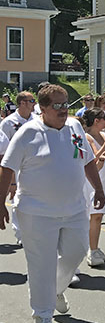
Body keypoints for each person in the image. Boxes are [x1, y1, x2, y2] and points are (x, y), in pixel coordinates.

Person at [0, 84, 105, 323]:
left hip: (75, 209)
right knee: (41, 264)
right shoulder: (27, 133)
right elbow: (7, 168)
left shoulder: (75, 126)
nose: (63, 109)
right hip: (36, 212)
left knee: (76, 253)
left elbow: (88, 160)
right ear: (43, 108)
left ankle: (56, 289)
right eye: (56, 105)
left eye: (66, 104)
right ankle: (42, 313)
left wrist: (99, 190)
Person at [82, 108, 105, 267]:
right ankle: (91, 250)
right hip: (92, 181)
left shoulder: (102, 135)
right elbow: (95, 157)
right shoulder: (87, 137)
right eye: (104, 118)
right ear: (96, 120)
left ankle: (94, 247)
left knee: (99, 215)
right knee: (94, 215)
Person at [0, 90, 36, 245]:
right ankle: (20, 233)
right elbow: (4, 151)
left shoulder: (37, 120)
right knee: (17, 199)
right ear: (22, 103)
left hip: (35, 165)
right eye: (31, 100)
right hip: (16, 165)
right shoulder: (8, 122)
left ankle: (33, 231)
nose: (34, 103)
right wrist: (11, 179)